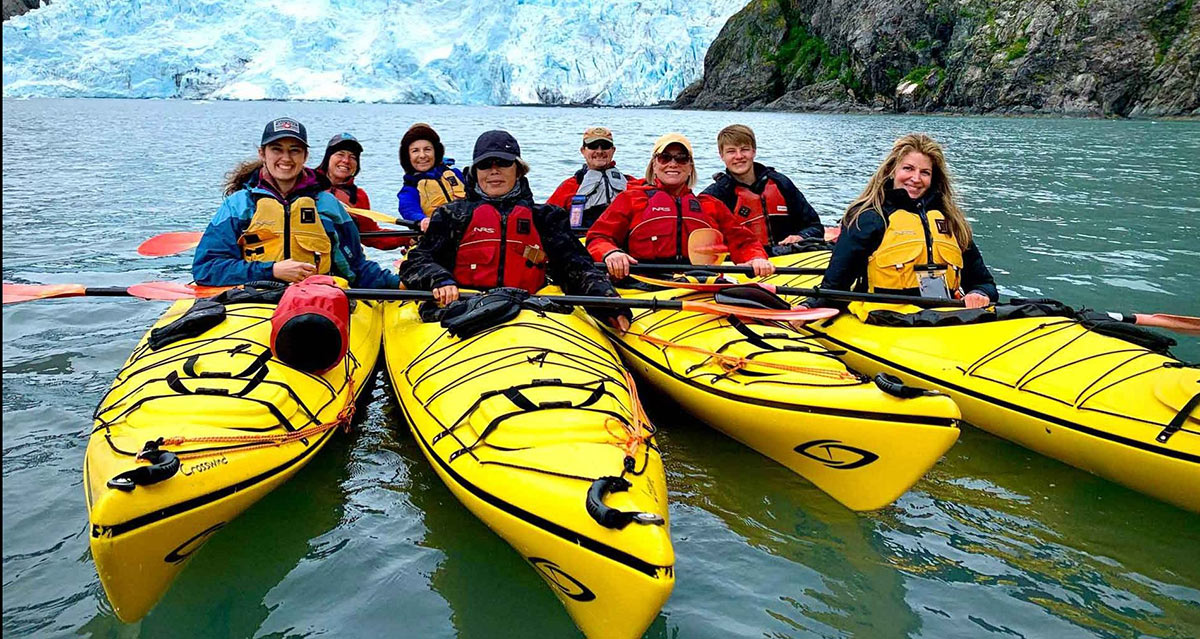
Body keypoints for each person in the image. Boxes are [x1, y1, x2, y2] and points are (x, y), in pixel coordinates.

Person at [399, 130, 629, 329]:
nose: (494, 171)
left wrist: (610, 305)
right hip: (465, 308)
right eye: (485, 165)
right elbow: (417, 261)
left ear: (518, 169)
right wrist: (439, 280)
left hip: (529, 309)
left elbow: (577, 267)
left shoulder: (546, 217)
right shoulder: (451, 216)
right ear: (475, 172)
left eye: (503, 163)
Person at [193, 117, 400, 289]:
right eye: (276, 149)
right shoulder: (239, 205)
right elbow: (207, 268)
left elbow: (356, 267)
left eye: (294, 150)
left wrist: (402, 283)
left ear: (305, 156)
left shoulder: (327, 205)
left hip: (316, 303)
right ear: (262, 153)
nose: (286, 158)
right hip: (254, 301)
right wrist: (273, 271)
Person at [807, 133, 997, 310]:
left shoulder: (951, 221)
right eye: (908, 168)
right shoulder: (869, 218)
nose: (915, 178)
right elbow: (835, 287)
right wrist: (808, 308)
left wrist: (978, 293)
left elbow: (984, 283)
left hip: (943, 319)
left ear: (933, 178)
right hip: (888, 320)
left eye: (925, 172)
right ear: (892, 170)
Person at [586, 132, 774, 280]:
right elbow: (598, 237)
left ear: (690, 166)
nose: (673, 164)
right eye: (665, 157)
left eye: (681, 158)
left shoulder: (710, 206)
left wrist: (756, 258)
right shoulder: (631, 199)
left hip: (699, 286)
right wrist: (611, 253)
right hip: (643, 284)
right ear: (654, 164)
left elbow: (744, 242)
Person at [701, 124, 823, 248]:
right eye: (731, 151)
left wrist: (801, 237)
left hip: (788, 257)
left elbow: (815, 227)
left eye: (744, 149)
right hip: (744, 263)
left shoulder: (781, 183)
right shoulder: (713, 196)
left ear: (753, 151)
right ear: (722, 155)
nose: (739, 156)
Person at [317, 132, 407, 250]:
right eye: (340, 154)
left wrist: (406, 238)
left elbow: (371, 236)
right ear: (328, 157)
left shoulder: (358, 196)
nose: (346, 160)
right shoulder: (306, 183)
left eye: (353, 157)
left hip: (345, 260)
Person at [546, 126, 638, 229]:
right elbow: (546, 219)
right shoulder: (569, 186)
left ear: (613, 150)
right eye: (593, 146)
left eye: (605, 146)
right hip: (582, 241)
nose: (599, 151)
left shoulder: (632, 184)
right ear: (583, 150)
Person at [396, 122, 467, 232]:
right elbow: (408, 209)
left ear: (436, 152)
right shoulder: (410, 189)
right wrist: (422, 220)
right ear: (407, 156)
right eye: (415, 151)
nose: (422, 155)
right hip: (435, 238)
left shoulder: (456, 174)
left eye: (427, 149)